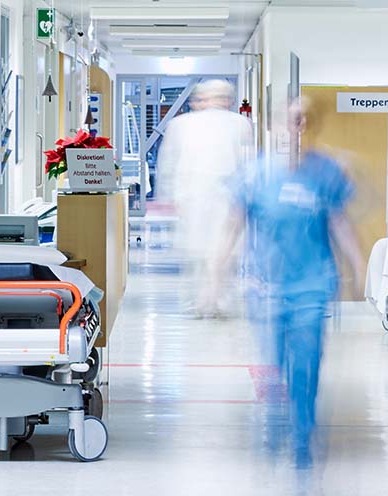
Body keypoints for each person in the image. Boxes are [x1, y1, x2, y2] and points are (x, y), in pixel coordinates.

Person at [227, 97, 364, 466]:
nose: (296, 127)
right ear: (274, 126)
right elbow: (234, 225)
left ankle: (303, 435)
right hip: (266, 286)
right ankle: (275, 423)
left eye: (304, 120)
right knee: (273, 364)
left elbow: (340, 223)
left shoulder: (326, 173)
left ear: (312, 126)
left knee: (305, 364)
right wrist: (214, 273)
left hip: (312, 286)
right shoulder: (255, 174)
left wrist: (358, 266)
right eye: (290, 120)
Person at [156, 79, 254, 317]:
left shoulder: (238, 124)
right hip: (199, 198)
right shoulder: (182, 125)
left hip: (218, 199)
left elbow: (248, 164)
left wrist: (168, 195)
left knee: (218, 253)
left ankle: (213, 301)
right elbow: (168, 163)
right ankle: (207, 301)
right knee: (205, 254)